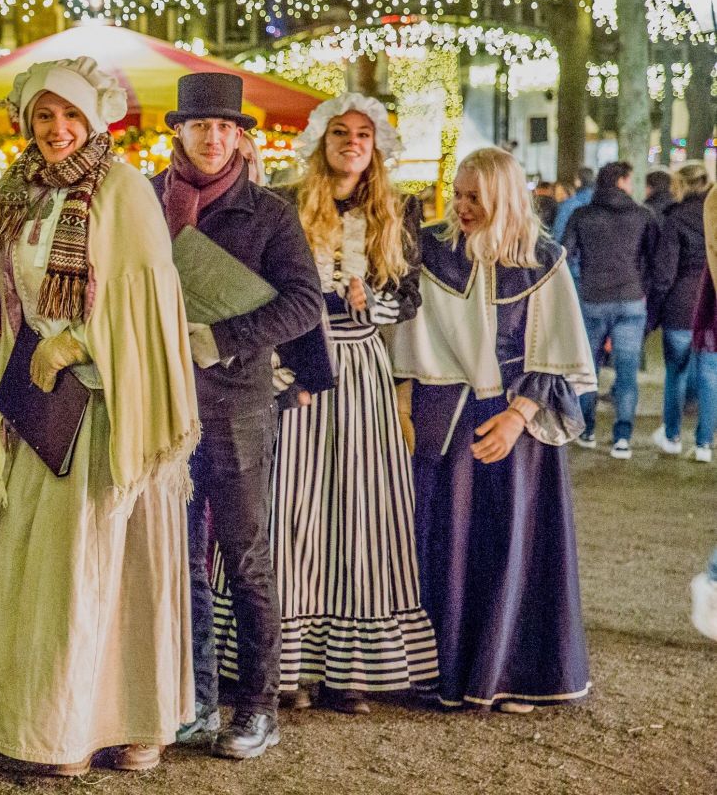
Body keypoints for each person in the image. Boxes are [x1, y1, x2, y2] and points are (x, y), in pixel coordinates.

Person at [0, 57, 199, 777]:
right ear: (25, 120)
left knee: (107, 568)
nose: (57, 129)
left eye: (69, 115)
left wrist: (77, 345)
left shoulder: (124, 191)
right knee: (46, 572)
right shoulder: (20, 193)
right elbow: (9, 298)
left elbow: (150, 312)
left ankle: (130, 723)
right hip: (38, 404)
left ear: (93, 118)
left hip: (105, 408)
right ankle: (53, 725)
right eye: (43, 115)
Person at [223, 94, 436, 715]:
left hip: (361, 368)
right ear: (322, 141)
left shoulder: (398, 211)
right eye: (340, 132)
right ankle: (284, 666)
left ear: (376, 148)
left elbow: (409, 296)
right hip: (295, 360)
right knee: (291, 504)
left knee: (358, 509)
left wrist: (374, 302)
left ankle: (352, 671)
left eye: (363, 134)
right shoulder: (287, 204)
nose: (351, 142)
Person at [151, 72, 326, 760]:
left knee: (244, 560)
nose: (214, 136)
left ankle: (256, 707)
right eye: (201, 126)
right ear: (179, 132)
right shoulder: (143, 202)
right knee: (175, 558)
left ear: (239, 136)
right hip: (160, 402)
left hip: (236, 405)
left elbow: (303, 303)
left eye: (225, 127)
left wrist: (222, 339)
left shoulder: (268, 212)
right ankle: (193, 699)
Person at [391, 147, 596, 714]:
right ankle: (445, 673)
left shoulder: (543, 262)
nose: (461, 206)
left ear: (503, 197)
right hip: (447, 418)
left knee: (515, 543)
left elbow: (558, 352)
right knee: (447, 542)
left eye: (474, 197)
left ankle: (514, 674)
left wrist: (517, 416)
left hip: (515, 424)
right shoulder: (431, 254)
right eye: (457, 194)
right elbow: (408, 339)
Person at [561, 161, 659, 457]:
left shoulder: (582, 214)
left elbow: (565, 253)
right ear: (621, 181)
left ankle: (587, 429)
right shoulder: (643, 215)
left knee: (588, 369)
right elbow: (653, 259)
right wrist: (642, 286)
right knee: (627, 372)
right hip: (631, 300)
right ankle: (622, 438)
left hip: (592, 300)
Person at [649, 164, 716, 462]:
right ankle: (703, 444)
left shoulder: (675, 219)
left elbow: (664, 273)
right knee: (710, 376)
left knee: (675, 373)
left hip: (680, 307)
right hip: (711, 307)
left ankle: (672, 435)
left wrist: (654, 310)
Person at [551, 166, 594, 240]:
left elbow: (558, 231)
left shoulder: (569, 204)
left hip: (572, 248)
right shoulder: (598, 202)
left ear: (579, 181)